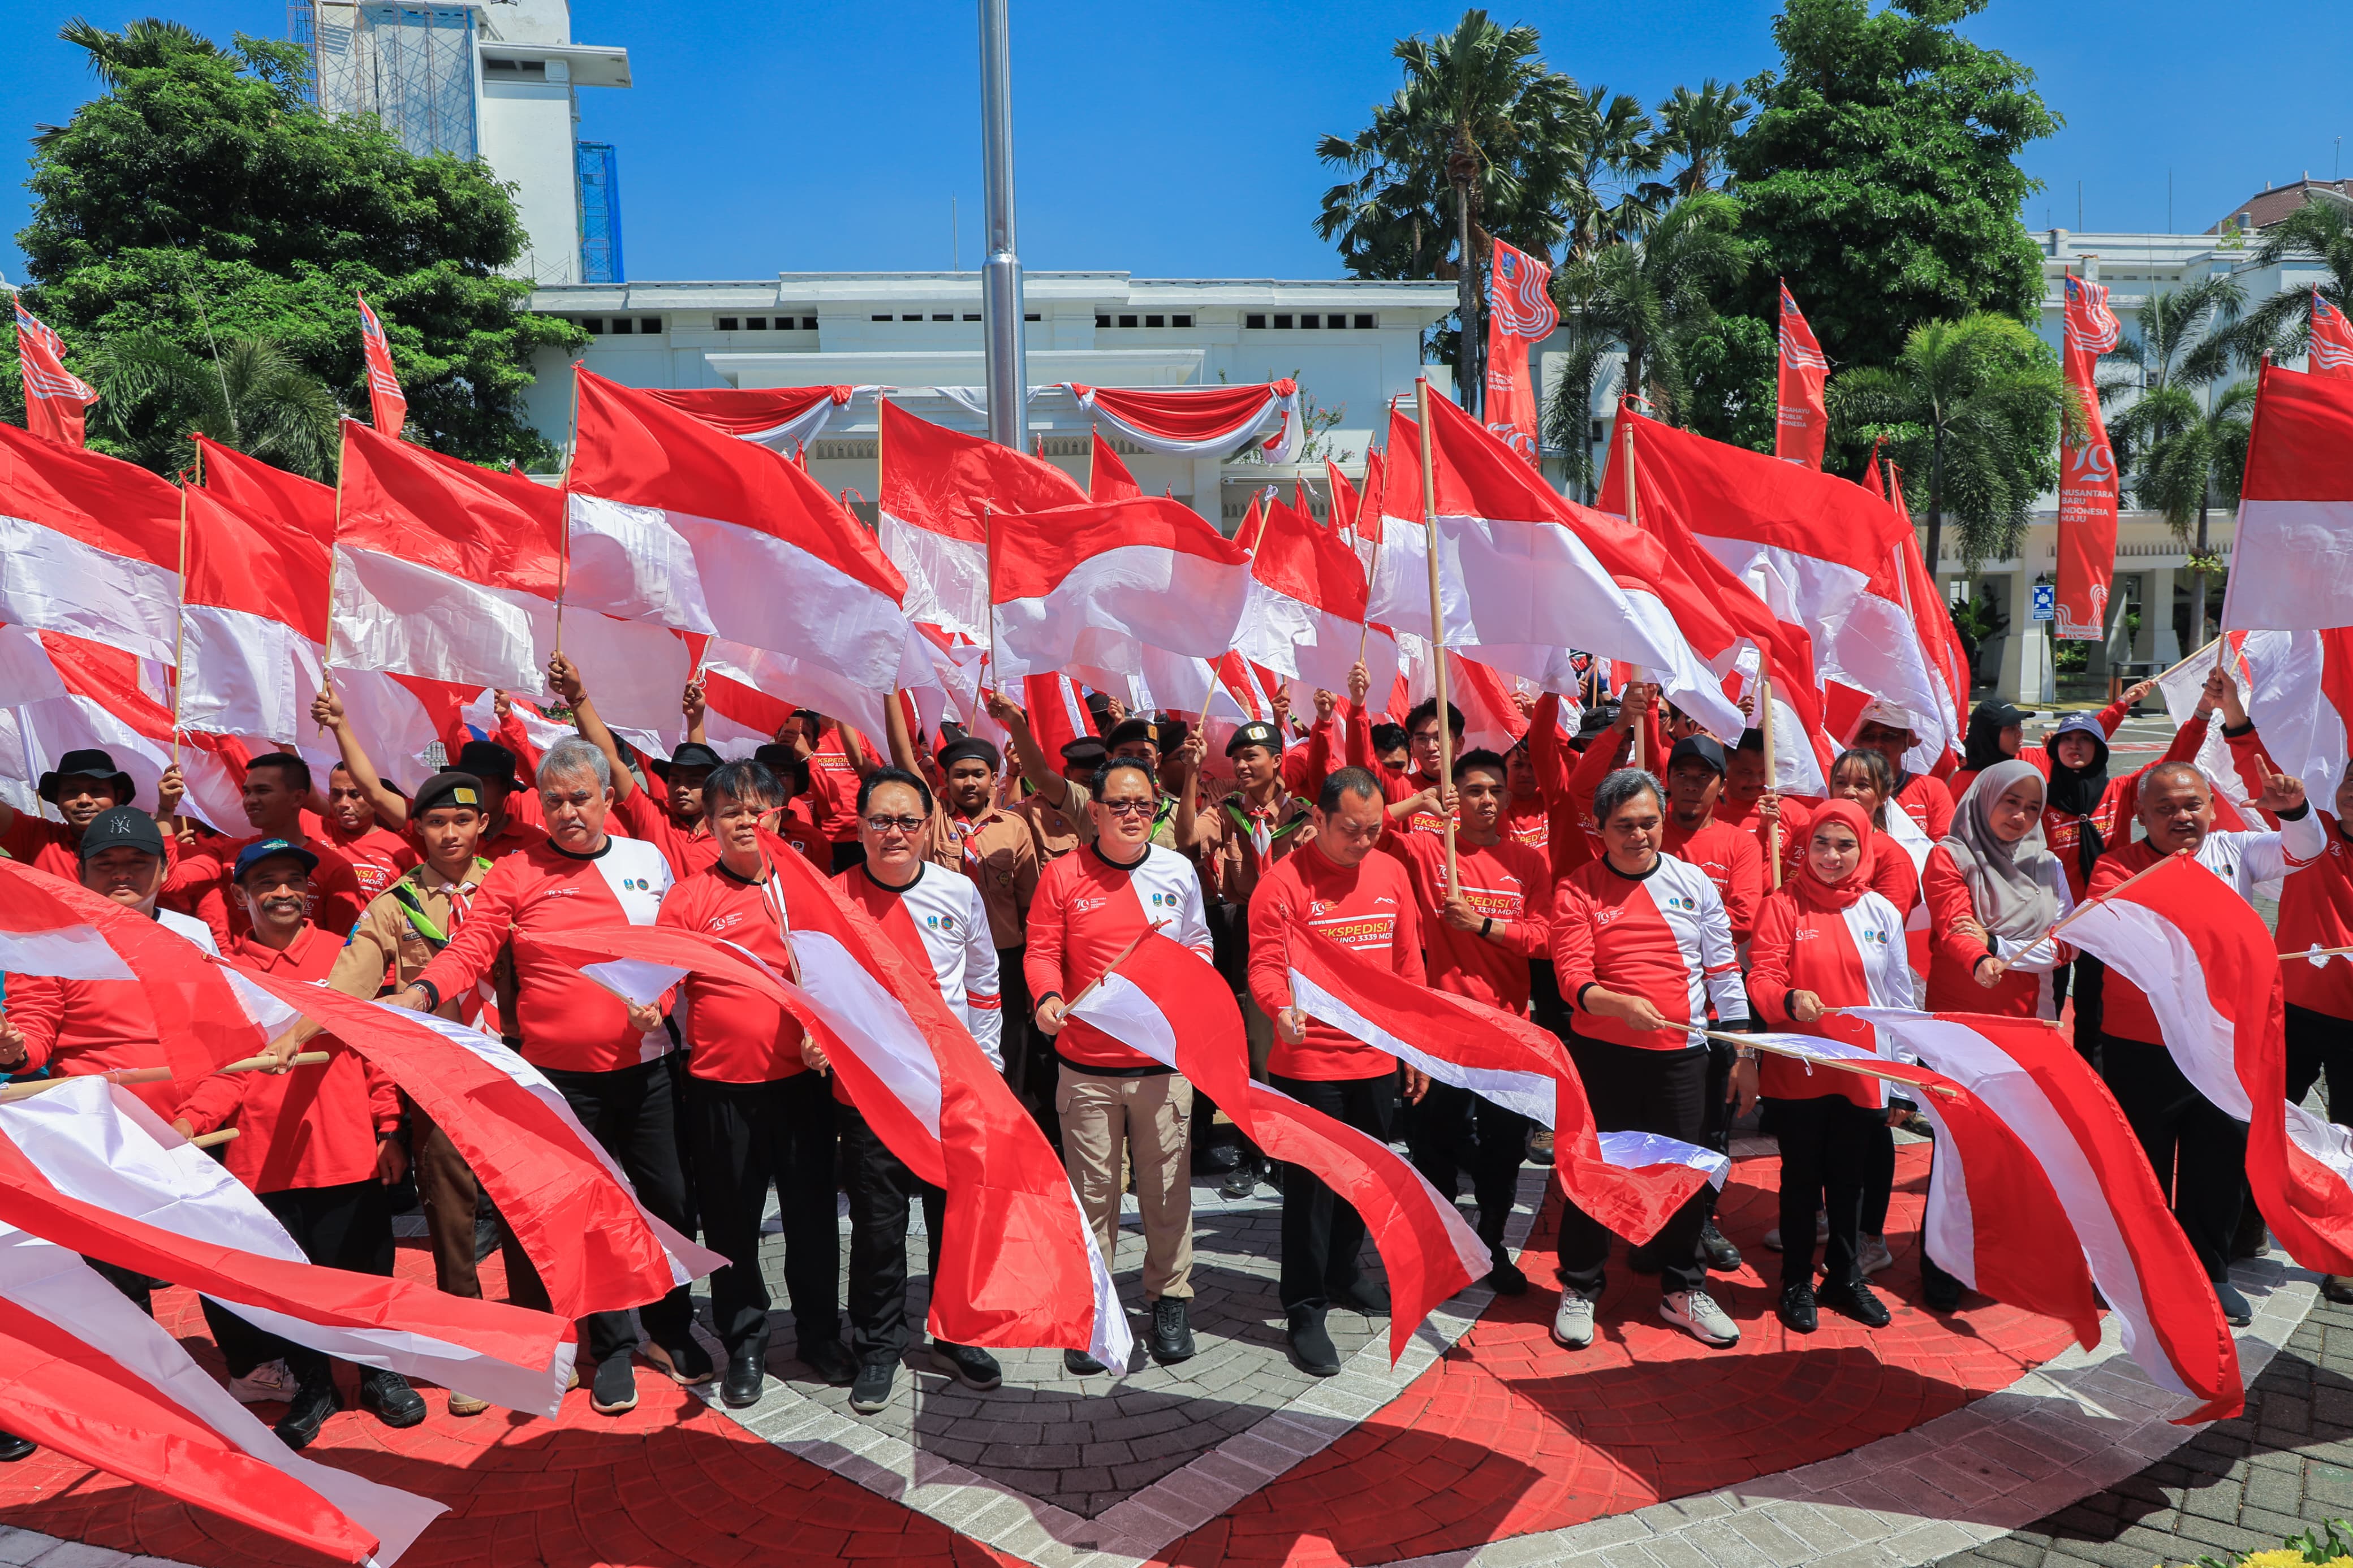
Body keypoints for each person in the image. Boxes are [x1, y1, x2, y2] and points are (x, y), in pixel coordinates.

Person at [388, 736, 703, 1416]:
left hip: (647, 1072)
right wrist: (420, 992)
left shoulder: (645, 861)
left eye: (580, 798)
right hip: (561, 1084)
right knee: (588, 1216)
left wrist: (665, 1001)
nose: (566, 812)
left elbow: (676, 951)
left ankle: (672, 1330)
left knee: (669, 1203)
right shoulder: (513, 872)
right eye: (554, 800)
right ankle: (612, 1346)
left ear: (607, 799)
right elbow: (471, 948)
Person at [256, 771, 503, 1417]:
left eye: (462, 820)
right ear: (416, 829)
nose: (450, 833)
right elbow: (347, 984)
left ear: (482, 825)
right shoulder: (395, 905)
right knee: (453, 1223)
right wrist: (295, 1035)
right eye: (436, 822)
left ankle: (546, 1330)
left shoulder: (509, 884)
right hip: (443, 1078)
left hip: (522, 1069)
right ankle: (468, 1354)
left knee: (535, 1208)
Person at [173, 839, 426, 1450]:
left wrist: (389, 1127)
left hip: (347, 1152)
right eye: (267, 883)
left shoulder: (346, 954)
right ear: (241, 896)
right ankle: (314, 1381)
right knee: (292, 1287)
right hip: (266, 1163)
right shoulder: (225, 974)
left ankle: (375, 1372)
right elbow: (224, 1068)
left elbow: (374, 1047)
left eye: (293, 880)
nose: (283, 892)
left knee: (365, 1274)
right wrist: (188, 1123)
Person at [2087, 759, 2321, 1326]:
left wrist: (2291, 808)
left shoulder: (2237, 850)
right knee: (2140, 1160)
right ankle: (2137, 1266)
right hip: (2142, 1042)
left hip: (2221, 1042)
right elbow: (2117, 934)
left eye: (2192, 805)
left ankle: (2209, 1269)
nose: (2180, 817)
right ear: (2141, 815)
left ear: (2212, 808)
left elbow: (2306, 849)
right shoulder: (2115, 866)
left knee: (2216, 1158)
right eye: (2164, 808)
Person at [657, 761, 856, 1405]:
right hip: (719, 1092)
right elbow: (661, 980)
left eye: (758, 809)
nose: (746, 822)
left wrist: (820, 1031)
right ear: (710, 825)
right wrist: (646, 1004)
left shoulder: (807, 891)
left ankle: (820, 1334)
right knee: (732, 1224)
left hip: (800, 1089)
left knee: (811, 1219)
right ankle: (744, 1339)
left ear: (779, 816)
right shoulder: (690, 898)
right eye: (731, 812)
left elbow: (839, 983)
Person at [1549, 767, 1753, 1351]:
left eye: (1647, 823)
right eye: (1623, 826)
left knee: (1681, 1176)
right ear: (1599, 829)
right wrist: (1616, 1004)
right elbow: (1571, 979)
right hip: (1602, 1056)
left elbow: (1722, 972)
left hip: (1683, 1058)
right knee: (1592, 1173)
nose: (1637, 836)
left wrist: (1740, 1052)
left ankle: (1682, 1288)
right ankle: (1580, 1286)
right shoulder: (1577, 888)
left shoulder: (1694, 884)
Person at [1029, 755, 1215, 1373]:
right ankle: (1096, 1307)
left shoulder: (1177, 870)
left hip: (1162, 1064)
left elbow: (1198, 941)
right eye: (1119, 805)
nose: (1133, 815)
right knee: (1092, 1194)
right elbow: (1040, 951)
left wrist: (1198, 977)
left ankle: (1169, 1297)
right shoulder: (1062, 874)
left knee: (1167, 1192)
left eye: (1145, 805)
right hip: (1086, 1067)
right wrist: (1047, 998)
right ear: (1096, 810)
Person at [830, 766, 1005, 1414]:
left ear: (928, 825)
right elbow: (815, 989)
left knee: (957, 1222)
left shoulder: (959, 892)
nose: (894, 832)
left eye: (907, 820)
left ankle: (957, 1334)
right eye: (881, 820)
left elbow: (985, 984)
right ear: (860, 827)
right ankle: (877, 1346)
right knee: (878, 1228)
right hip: (874, 1097)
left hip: (952, 1092)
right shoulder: (832, 896)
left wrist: (987, 1069)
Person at [1248, 767, 1427, 1377]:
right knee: (1311, 1189)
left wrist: (1414, 1048)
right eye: (1351, 829)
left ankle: (1346, 1271)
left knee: (1365, 1178)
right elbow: (1264, 965)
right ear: (1317, 819)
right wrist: (1279, 1008)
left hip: (1374, 1058)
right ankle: (1303, 1303)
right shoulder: (1282, 884)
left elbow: (1408, 966)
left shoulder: (1391, 873)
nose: (1363, 841)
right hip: (1309, 1062)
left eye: (1374, 828)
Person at [1746, 801, 1914, 1333]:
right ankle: (1796, 1280)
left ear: (1864, 848)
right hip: (1800, 1071)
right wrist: (1788, 1000)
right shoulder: (1781, 905)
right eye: (1822, 843)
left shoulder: (1882, 913)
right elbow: (1763, 978)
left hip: (1862, 1072)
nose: (1832, 856)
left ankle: (1843, 1276)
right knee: (1801, 1181)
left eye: (1846, 845)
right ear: (1805, 847)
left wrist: (1903, 1077)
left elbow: (1899, 999)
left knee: (1850, 1181)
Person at [1393, 749, 1552, 1293]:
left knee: (1504, 1148)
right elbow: (1366, 825)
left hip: (1507, 1028)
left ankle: (1492, 1243)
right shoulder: (1428, 849)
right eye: (1475, 790)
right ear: (1458, 797)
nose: (1488, 800)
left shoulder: (1528, 863)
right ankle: (1444, 1245)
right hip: (1439, 1025)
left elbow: (1547, 938)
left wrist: (1484, 925)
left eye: (1496, 791)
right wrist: (1422, 801)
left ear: (1509, 797)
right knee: (1435, 1144)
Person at [1178, 719, 1315, 1198]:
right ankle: (1253, 1150)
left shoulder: (1304, 815)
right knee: (1247, 1051)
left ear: (1278, 760)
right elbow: (1189, 842)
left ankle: (1289, 1151)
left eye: (1251, 756)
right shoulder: (1226, 812)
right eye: (1235, 758)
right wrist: (1193, 775)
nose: (1240, 765)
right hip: (1240, 934)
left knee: (1283, 1050)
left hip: (1291, 942)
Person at [882, 703, 1041, 1108]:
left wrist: (1030, 975)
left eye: (978, 774)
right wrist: (889, 689)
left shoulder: (1015, 827)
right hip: (947, 959)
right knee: (950, 1053)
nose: (969, 782)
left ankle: (1008, 1137)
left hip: (1004, 961)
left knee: (1006, 1056)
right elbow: (902, 756)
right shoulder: (932, 819)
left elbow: (1030, 908)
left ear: (994, 779)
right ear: (944, 780)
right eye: (959, 774)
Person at [1654, 733, 1762, 1274]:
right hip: (1652, 1007)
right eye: (1683, 773)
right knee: (1655, 1120)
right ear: (1668, 778)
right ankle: (1654, 1219)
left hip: (1715, 1009)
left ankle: (1701, 1217)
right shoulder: (1648, 833)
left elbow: (1743, 917)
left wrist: (1668, 929)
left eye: (1705, 776)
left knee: (1712, 1127)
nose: (1692, 784)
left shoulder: (1741, 843)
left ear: (1722, 786)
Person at [2279, 762, 2353, 1303]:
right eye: (2351, 779)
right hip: (2295, 1010)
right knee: (2264, 1120)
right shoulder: (2314, 833)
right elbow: (2284, 800)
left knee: (2351, 1141)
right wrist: (2232, 714)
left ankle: (2345, 1254)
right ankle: (2245, 1226)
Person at [546, 654, 725, 878]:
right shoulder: (652, 817)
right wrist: (576, 696)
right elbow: (609, 760)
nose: (682, 788)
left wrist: (696, 719)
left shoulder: (729, 830)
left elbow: (702, 763)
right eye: (675, 780)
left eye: (694, 782)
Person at [163, 753, 365, 947]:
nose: (250, 800)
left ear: (298, 798)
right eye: (248, 792)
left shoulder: (334, 867)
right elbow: (169, 881)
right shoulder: (228, 853)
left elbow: (345, 946)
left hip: (307, 980)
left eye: (263, 791)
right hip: (244, 978)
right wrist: (165, 811)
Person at [1923, 762, 2075, 1017]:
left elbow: (2066, 947)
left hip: (2030, 1009)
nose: (2020, 816)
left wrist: (1996, 947)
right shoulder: (1950, 857)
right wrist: (1980, 959)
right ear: (1986, 797)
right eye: (2011, 802)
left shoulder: (2049, 864)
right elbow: (1956, 927)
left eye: (2032, 808)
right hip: (1958, 1009)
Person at [0, 747, 184, 880]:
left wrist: (167, 810)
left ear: (117, 796)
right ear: (57, 798)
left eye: (96, 790)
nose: (84, 800)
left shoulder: (144, 846)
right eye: (72, 792)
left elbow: (170, 882)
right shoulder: (38, 839)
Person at [1852, 705, 1955, 842]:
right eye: (1869, 737)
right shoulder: (1847, 790)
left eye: (1888, 736)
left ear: (1906, 743)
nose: (1877, 744)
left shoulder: (1932, 789)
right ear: (1860, 744)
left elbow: (1944, 845)